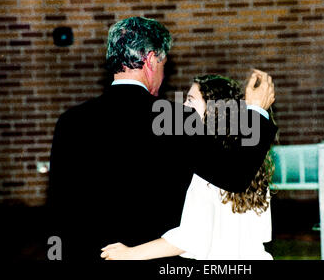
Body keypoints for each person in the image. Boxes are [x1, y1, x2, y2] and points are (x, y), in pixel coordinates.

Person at [46, 16, 278, 261]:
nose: (164, 74)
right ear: (150, 61)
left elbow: (58, 210)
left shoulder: (70, 121)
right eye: (164, 64)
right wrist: (257, 111)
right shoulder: (175, 118)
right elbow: (235, 174)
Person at [100, 75, 275, 260]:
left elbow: (190, 238)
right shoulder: (248, 163)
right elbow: (264, 233)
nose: (183, 108)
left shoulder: (205, 170)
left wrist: (130, 254)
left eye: (190, 101)